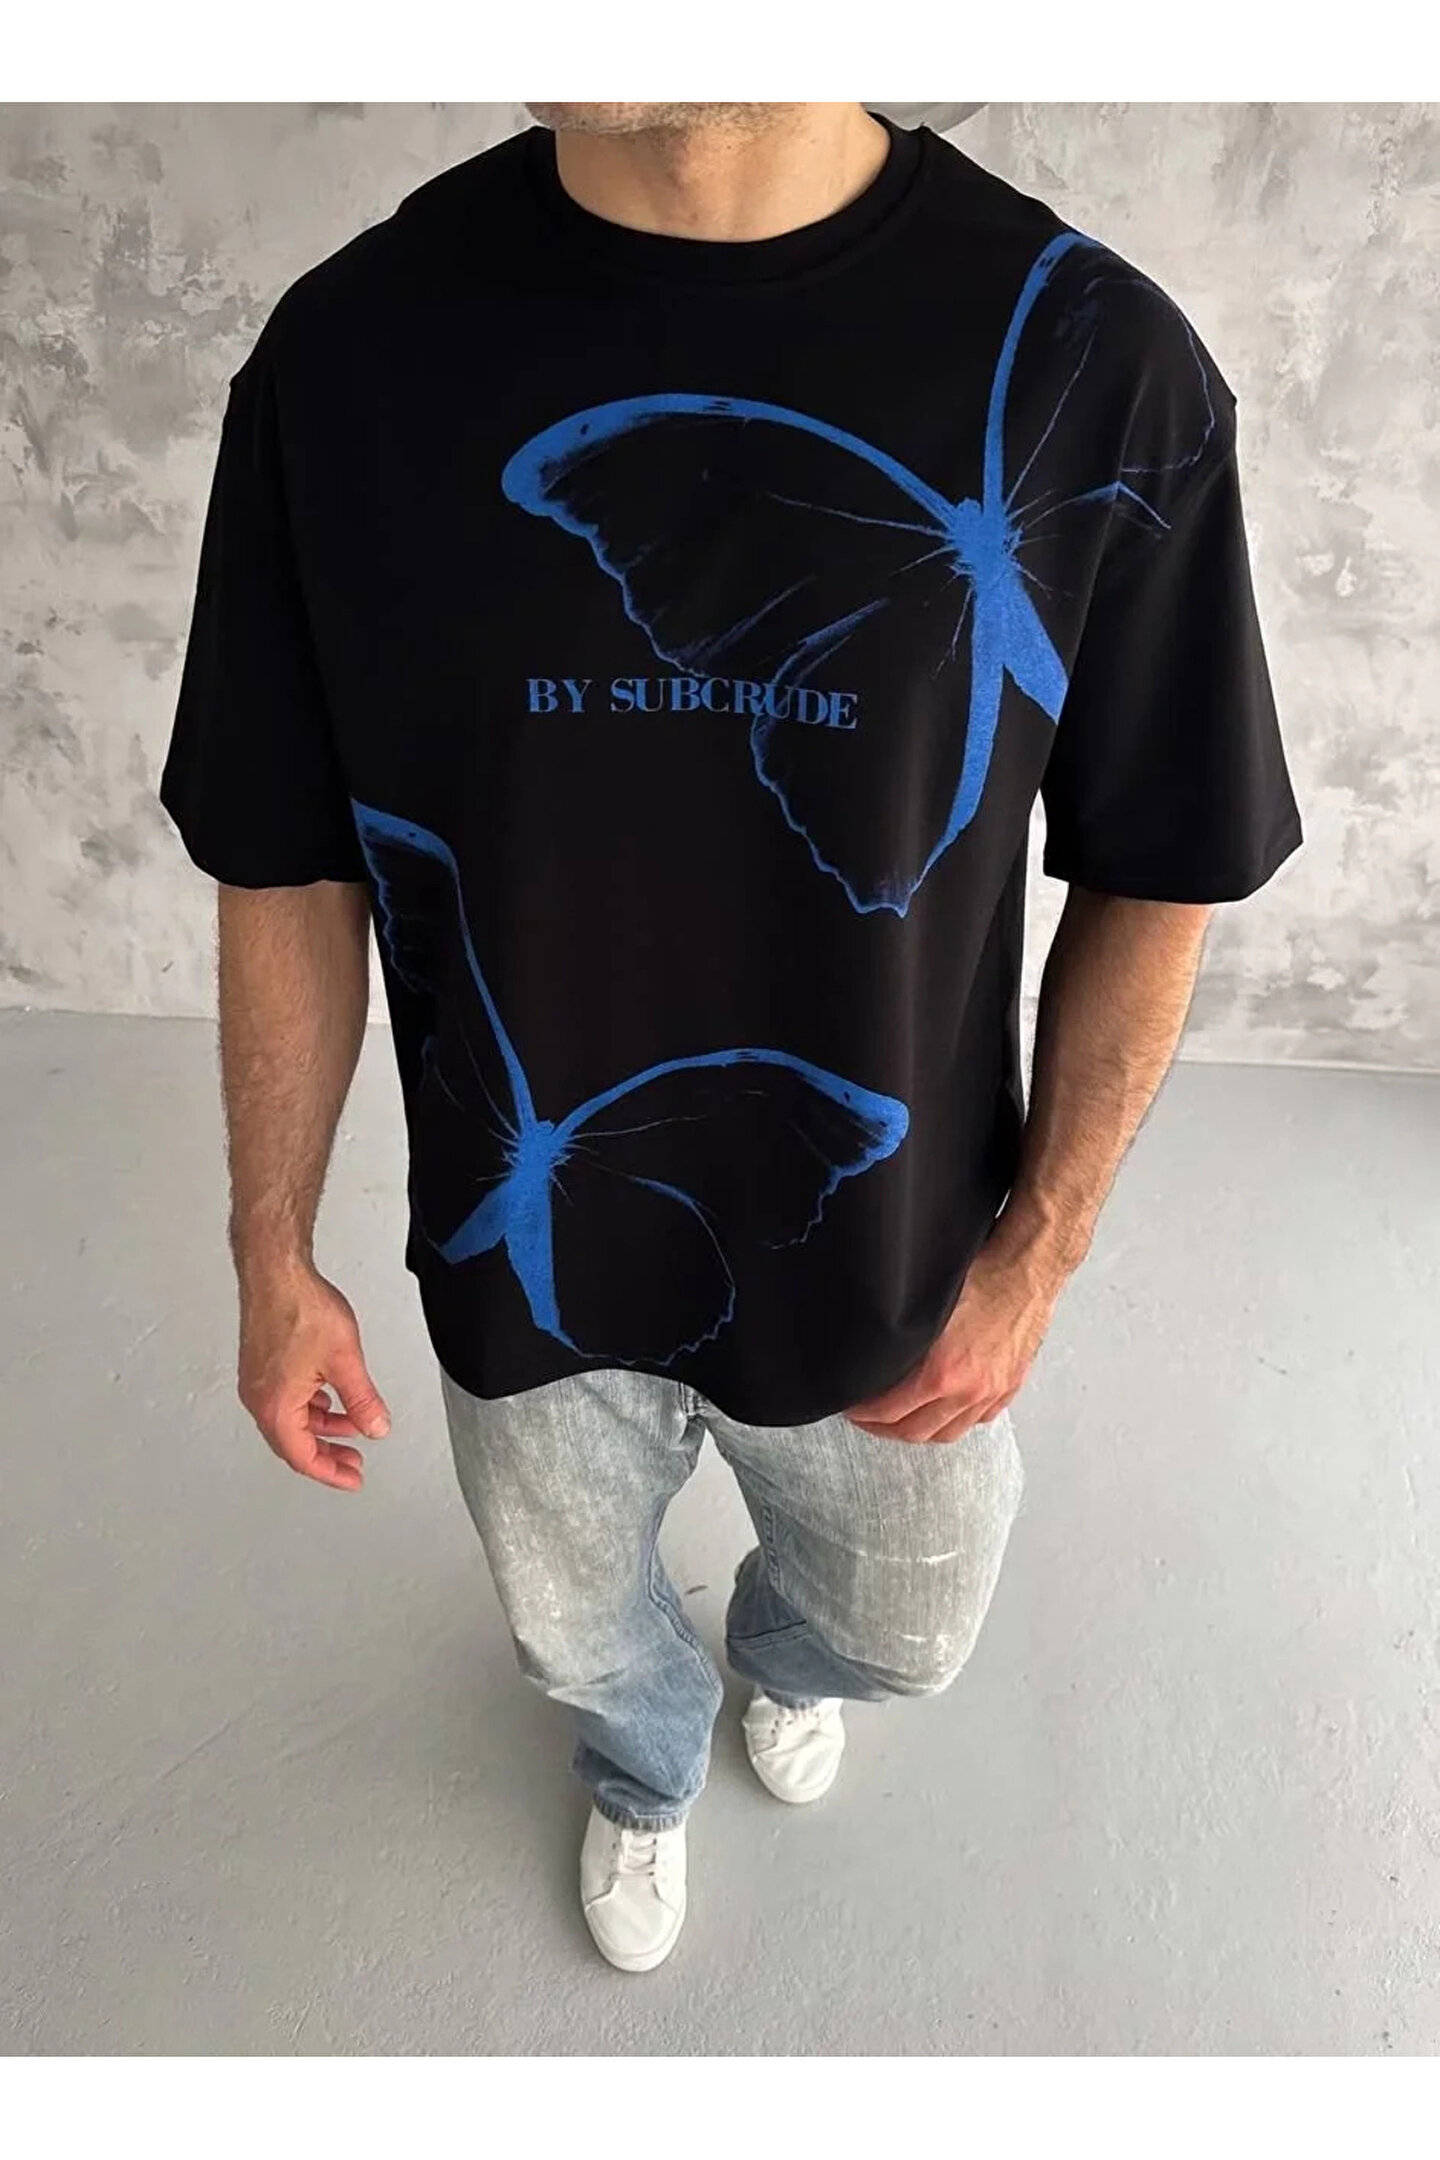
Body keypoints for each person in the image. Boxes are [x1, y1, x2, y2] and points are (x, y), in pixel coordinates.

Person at [159, 102, 1303, 1975]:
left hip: (893, 1263)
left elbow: (1162, 859)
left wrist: (1041, 1250)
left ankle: (783, 1658)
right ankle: (643, 1759)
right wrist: (268, 1251)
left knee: (903, 1631)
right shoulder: (347, 359)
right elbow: (279, 848)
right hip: (519, 1259)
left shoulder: (1095, 356)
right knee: (570, 1638)